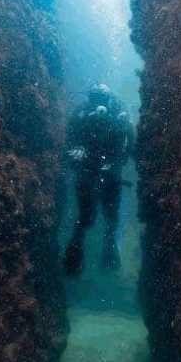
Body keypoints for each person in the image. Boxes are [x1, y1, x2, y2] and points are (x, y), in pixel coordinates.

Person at [63, 83, 134, 275]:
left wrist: (119, 161)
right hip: (89, 170)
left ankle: (108, 249)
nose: (99, 104)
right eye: (95, 99)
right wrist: (75, 153)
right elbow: (69, 140)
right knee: (87, 216)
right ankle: (80, 251)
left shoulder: (118, 115)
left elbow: (130, 142)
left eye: (102, 99)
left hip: (110, 171)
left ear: (109, 100)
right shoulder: (81, 114)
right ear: (90, 98)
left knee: (110, 216)